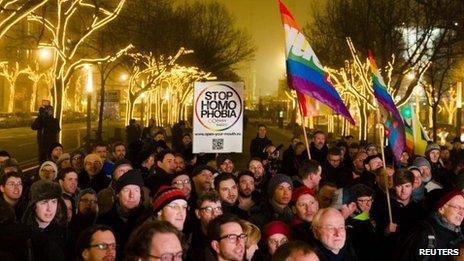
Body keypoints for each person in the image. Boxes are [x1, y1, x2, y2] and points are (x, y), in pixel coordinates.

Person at [396, 190, 464, 260]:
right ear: (441, 209)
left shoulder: (459, 236)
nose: (462, 213)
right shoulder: (423, 235)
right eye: (457, 207)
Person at [97, 169, 145, 248]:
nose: (131, 195)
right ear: (117, 195)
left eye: (136, 190)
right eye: (126, 190)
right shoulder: (103, 221)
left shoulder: (148, 220)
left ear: (140, 194)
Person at [21, 180, 67, 260]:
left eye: (53, 202)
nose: (50, 208)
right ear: (33, 205)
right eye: (44, 202)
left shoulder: (65, 234)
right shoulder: (22, 234)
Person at [186, 192, 223, 261]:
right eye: (208, 209)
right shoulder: (190, 242)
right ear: (198, 213)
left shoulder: (230, 234)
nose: (215, 214)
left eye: (218, 208)